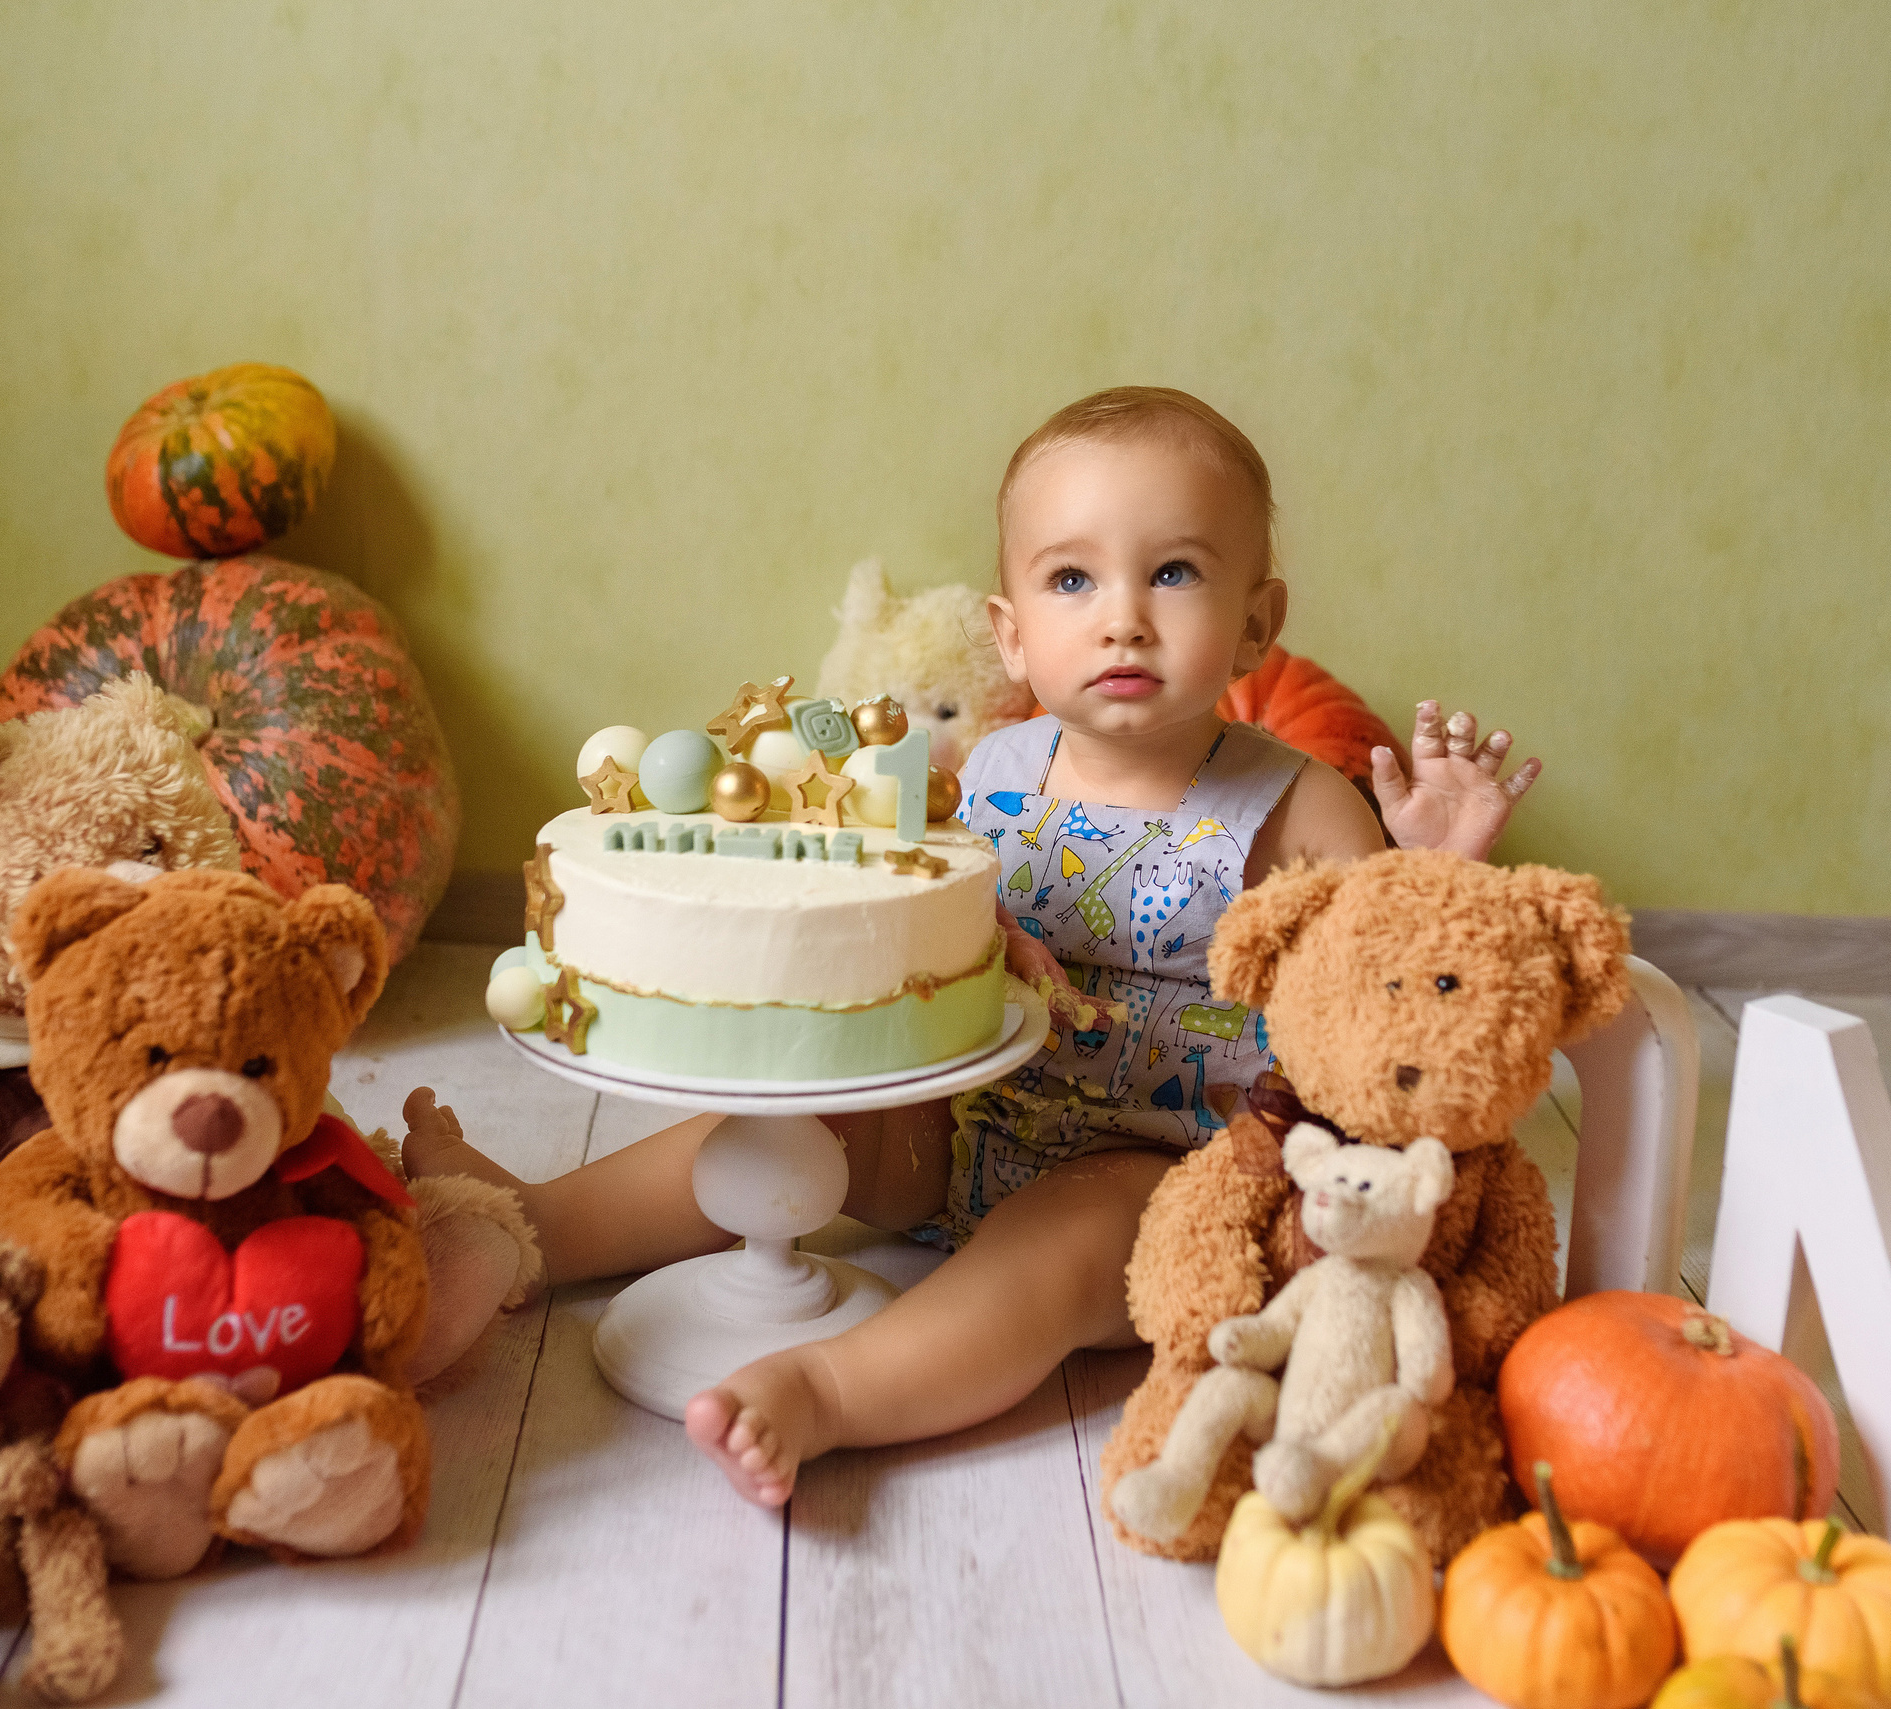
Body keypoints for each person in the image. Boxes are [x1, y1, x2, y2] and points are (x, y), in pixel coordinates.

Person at [409, 386, 1540, 1506]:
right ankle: (535, 1230)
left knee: (1054, 1242)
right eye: (1071, 578)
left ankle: (833, 1389)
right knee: (802, 1115)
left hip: (1166, 1170)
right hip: (967, 1121)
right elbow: (931, 911)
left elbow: (1391, 1000)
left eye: (1175, 572)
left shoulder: (1293, 802)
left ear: (1255, 618)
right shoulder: (990, 774)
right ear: (1012, 631)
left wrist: (1431, 869)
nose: (1123, 616)